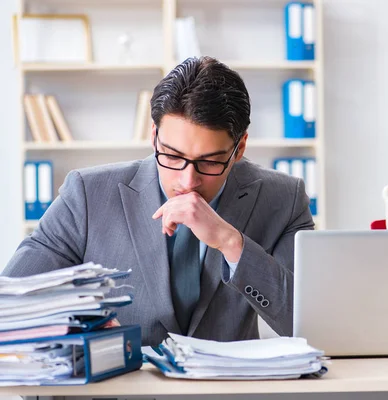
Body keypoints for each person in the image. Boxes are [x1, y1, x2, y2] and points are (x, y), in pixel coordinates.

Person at [3, 56, 315, 346]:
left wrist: (231, 242)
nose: (187, 180)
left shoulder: (283, 199)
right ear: (154, 136)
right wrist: (80, 323)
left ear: (240, 147)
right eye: (172, 156)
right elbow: (12, 304)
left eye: (209, 162)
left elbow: (311, 325)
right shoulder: (86, 195)